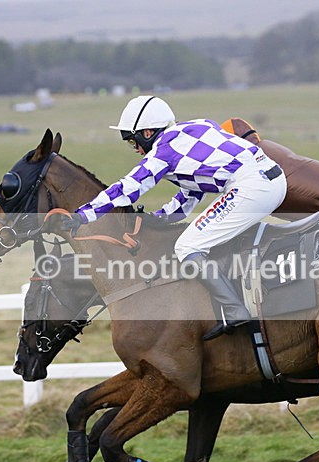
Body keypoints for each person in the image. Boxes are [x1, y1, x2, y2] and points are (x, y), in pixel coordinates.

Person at [61, 95, 288, 341]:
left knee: (188, 245)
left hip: (252, 187)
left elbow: (128, 188)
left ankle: (234, 310)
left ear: (148, 133)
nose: (136, 149)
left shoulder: (163, 151)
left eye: (132, 141)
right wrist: (160, 218)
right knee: (204, 236)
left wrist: (83, 215)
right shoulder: (197, 126)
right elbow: (192, 192)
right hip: (273, 179)